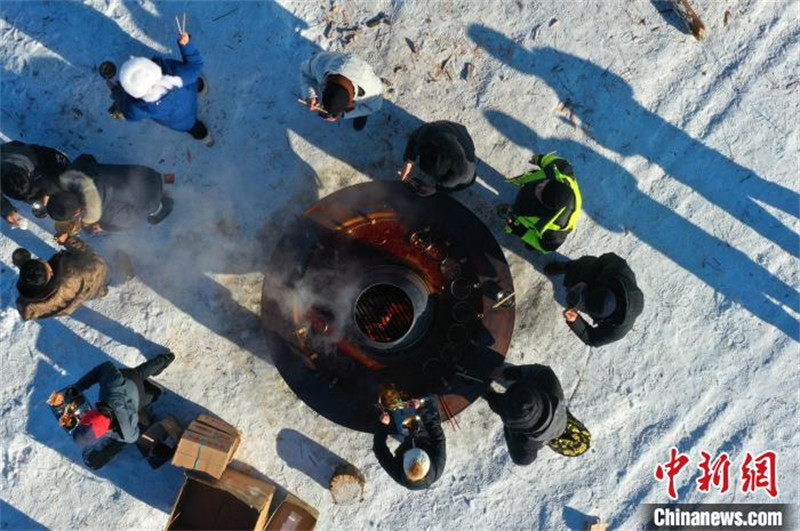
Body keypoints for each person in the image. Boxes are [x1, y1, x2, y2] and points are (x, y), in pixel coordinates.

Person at [53, 353, 175, 470]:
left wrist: (117, 432)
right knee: (139, 373)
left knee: (148, 396)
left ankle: (155, 392)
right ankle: (166, 359)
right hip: (128, 379)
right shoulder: (110, 386)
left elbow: (135, 435)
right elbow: (105, 367)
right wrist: (79, 386)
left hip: (138, 396)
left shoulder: (126, 432)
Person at [113, 27, 212, 146]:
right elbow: (196, 65)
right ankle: (200, 87)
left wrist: (118, 94)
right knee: (193, 78)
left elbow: (129, 115)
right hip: (187, 93)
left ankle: (203, 136)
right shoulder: (177, 75)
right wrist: (186, 45)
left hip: (180, 121)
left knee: (193, 127)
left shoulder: (137, 107)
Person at [485, 364, 590, 465]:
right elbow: (521, 459)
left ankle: (496, 392)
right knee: (499, 403)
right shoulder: (528, 449)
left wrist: (507, 373)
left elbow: (542, 372)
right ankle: (489, 394)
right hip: (510, 413)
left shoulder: (555, 392)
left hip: (524, 390)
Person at [46, 154, 172, 237]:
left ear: (75, 214)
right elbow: (87, 157)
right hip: (146, 173)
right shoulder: (74, 173)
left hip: (154, 191)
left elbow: (133, 221)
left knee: (151, 217)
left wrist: (103, 226)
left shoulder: (107, 214)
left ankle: (165, 203)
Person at [545, 252, 644, 347]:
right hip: (596, 276)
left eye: (585, 305)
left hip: (599, 286)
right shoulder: (618, 270)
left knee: (574, 300)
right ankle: (567, 266)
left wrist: (575, 321)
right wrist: (585, 281)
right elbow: (607, 258)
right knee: (581, 267)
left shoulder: (617, 331)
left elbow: (593, 339)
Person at [501, 152, 582, 253]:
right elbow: (557, 162)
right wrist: (540, 159)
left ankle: (530, 243)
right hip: (532, 199)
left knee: (533, 241)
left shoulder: (554, 233)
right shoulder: (562, 171)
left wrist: (518, 230)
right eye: (546, 183)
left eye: (540, 191)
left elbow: (546, 247)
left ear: (546, 206)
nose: (539, 185)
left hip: (529, 214)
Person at [13, 235, 108, 321]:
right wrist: (68, 240)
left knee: (89, 291)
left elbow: (26, 314)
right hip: (85, 285)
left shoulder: (29, 306)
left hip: (69, 307)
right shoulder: (74, 271)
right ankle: (101, 291)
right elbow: (98, 262)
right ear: (50, 272)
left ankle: (99, 292)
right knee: (94, 287)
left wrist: (26, 270)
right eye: (42, 261)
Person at [373, 398, 446, 490]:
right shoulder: (437, 467)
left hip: (406, 438)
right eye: (420, 451)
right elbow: (438, 437)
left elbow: (379, 450)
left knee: (396, 404)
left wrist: (383, 426)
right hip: (426, 437)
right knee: (427, 401)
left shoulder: (398, 474)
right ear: (428, 463)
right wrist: (421, 409)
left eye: (409, 452)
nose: (414, 448)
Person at [299, 51, 383, 131]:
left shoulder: (373, 92)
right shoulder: (320, 64)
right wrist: (310, 95)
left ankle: (361, 114)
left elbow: (372, 108)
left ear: (351, 103)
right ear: (325, 88)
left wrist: (344, 114)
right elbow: (305, 72)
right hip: (337, 61)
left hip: (362, 85)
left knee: (365, 108)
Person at [1, 140, 70, 226]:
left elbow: (64, 167)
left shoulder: (38, 155)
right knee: (31, 197)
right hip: (10, 158)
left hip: (42, 161)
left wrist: (48, 192)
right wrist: (6, 211)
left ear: (29, 174)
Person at [399, 121, 477, 193]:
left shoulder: (463, 172)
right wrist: (409, 161)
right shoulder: (429, 133)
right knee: (427, 134)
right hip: (447, 128)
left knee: (453, 184)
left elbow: (470, 182)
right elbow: (414, 138)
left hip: (464, 141)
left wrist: (436, 189)